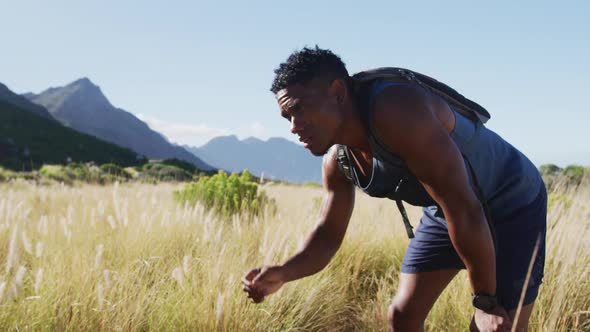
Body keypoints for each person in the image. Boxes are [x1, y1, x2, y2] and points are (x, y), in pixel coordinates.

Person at [241, 46, 546, 332]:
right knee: (403, 316)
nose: (293, 126)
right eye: (287, 117)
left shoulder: (397, 110)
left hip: (512, 202)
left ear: (336, 92)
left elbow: (464, 208)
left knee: (495, 326)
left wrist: (485, 301)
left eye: (298, 110)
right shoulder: (338, 160)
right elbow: (327, 236)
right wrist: (283, 272)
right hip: (448, 210)